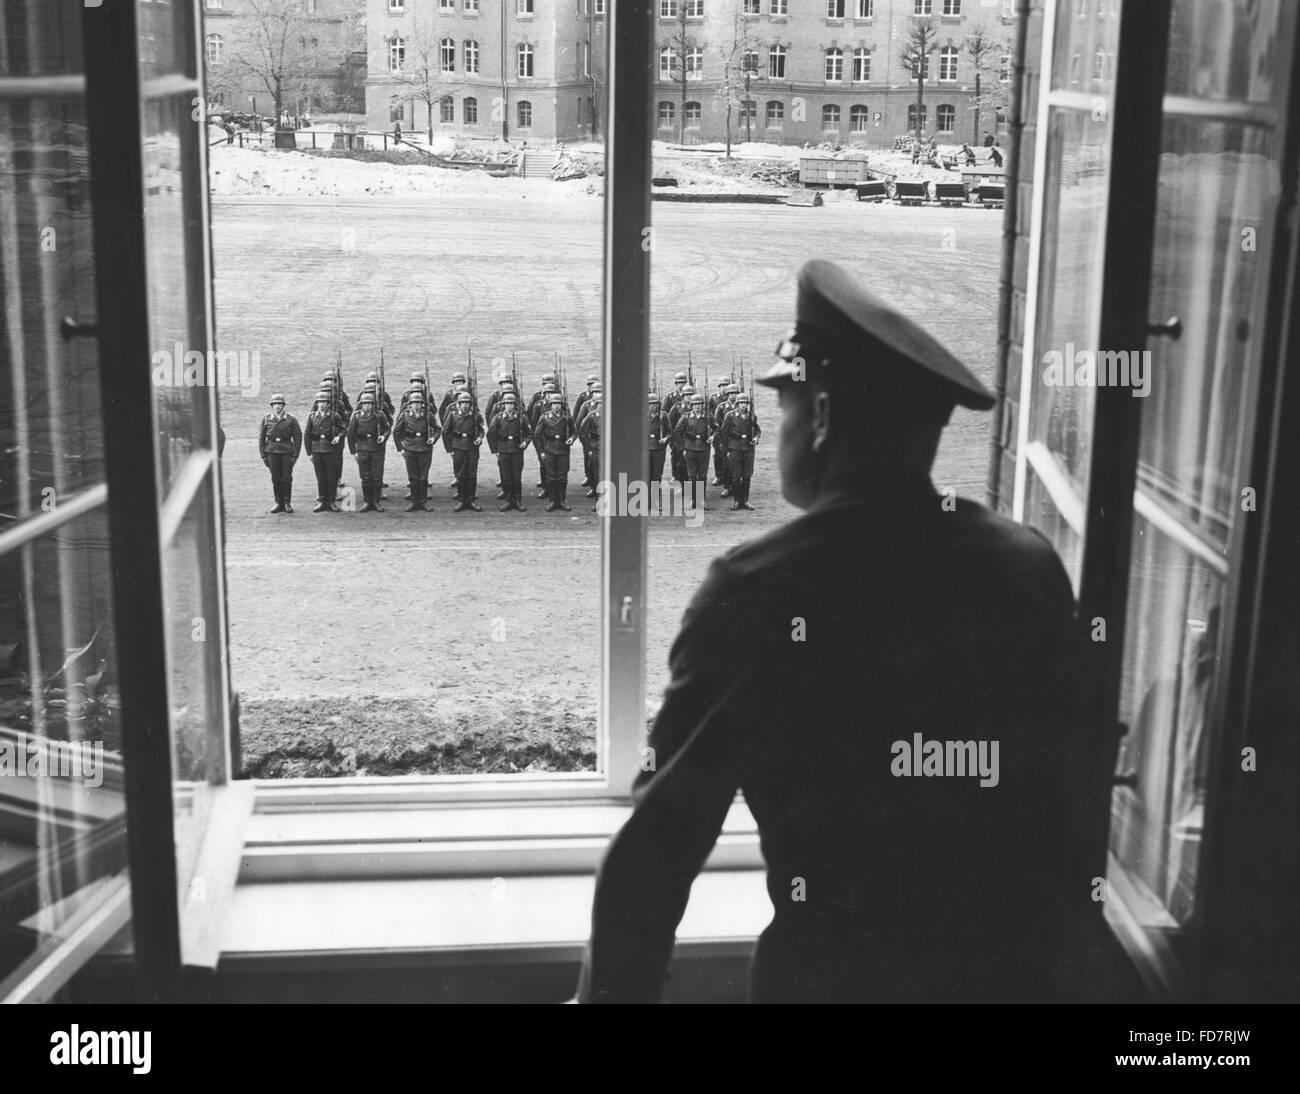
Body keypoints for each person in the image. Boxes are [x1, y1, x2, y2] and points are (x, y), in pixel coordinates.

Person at [575, 259, 1090, 1004]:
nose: (776, 429)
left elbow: (656, 856)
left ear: (820, 414)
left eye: (783, 407)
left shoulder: (757, 592)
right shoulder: (1027, 568)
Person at [392, 388, 440, 512]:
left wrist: (433, 439)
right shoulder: (405, 415)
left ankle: (423, 501)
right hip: (410, 448)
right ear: (410, 404)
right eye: (414, 403)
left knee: (423, 477)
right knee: (413, 477)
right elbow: (396, 432)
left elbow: (438, 429)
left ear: (422, 404)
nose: (416, 405)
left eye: (418, 403)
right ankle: (414, 501)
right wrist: (400, 448)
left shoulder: (428, 415)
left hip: (425, 448)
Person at [486, 391, 532, 512]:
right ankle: (508, 500)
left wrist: (525, 443)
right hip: (503, 451)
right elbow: (491, 434)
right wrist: (495, 450)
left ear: (515, 405)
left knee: (516, 477)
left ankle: (517, 500)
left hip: (517, 451)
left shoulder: (521, 418)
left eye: (512, 403)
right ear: (503, 405)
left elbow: (529, 434)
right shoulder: (498, 418)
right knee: (505, 477)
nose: (509, 406)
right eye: (507, 403)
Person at [346, 391, 391, 512]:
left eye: (369, 404)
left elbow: (387, 429)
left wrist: (384, 436)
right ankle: (367, 501)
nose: (367, 406)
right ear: (361, 405)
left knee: (377, 477)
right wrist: (353, 451)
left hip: (377, 449)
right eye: (364, 404)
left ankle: (376, 501)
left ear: (373, 404)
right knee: (365, 477)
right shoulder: (356, 416)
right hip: (362, 449)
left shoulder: (379, 415)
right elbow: (350, 435)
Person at [304, 389, 347, 512]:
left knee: (331, 477)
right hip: (317, 449)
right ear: (316, 403)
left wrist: (338, 437)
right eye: (320, 402)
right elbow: (307, 435)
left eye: (324, 402)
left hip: (330, 450)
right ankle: (322, 501)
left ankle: (332, 501)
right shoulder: (312, 417)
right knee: (321, 477)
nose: (322, 404)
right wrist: (309, 453)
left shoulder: (334, 416)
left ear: (328, 403)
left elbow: (344, 429)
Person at [442, 390, 485, 512]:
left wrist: (479, 438)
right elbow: (445, 432)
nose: (466, 405)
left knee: (472, 475)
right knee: (460, 475)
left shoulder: (475, 416)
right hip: (458, 448)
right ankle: (462, 500)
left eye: (468, 403)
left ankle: (471, 499)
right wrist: (450, 449)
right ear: (459, 404)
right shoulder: (452, 415)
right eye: (463, 403)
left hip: (472, 448)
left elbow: (481, 430)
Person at [258, 393, 302, 514]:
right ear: (272, 406)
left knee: (286, 478)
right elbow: (261, 439)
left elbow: (298, 437)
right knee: (276, 478)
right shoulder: (266, 419)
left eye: (280, 404)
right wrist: (263, 455)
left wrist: (295, 455)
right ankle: (278, 502)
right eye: (275, 404)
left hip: (286, 451)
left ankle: (287, 502)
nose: (277, 407)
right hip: (271, 451)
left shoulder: (291, 419)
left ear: (283, 405)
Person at [717, 390, 760, 511]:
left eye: (745, 403)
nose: (743, 405)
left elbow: (757, 430)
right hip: (734, 448)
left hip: (748, 448)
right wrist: (725, 450)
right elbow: (724, 433)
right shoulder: (730, 416)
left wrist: (756, 438)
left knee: (747, 476)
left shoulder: (751, 416)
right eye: (741, 403)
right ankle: (736, 501)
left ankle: (745, 501)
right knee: (736, 477)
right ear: (737, 404)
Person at [534, 391, 576, 512]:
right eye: (554, 403)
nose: (557, 405)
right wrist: (542, 451)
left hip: (563, 451)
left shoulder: (567, 417)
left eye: (558, 403)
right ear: (551, 405)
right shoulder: (545, 417)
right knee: (551, 477)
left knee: (563, 477)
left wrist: (571, 439)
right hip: (550, 450)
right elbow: (537, 436)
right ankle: (553, 500)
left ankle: (562, 500)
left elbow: (575, 432)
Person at [671, 391, 713, 511]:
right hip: (690, 449)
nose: (697, 406)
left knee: (703, 476)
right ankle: (693, 500)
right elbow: (677, 432)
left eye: (699, 404)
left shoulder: (708, 416)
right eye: (695, 404)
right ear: (692, 405)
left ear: (702, 405)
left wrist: (712, 436)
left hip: (704, 449)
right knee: (692, 476)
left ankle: (701, 501)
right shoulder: (686, 417)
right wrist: (683, 447)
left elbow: (717, 429)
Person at [577, 389, 602, 503]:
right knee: (597, 476)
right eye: (600, 403)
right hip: (596, 448)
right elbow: (582, 433)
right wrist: (588, 448)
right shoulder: (591, 416)